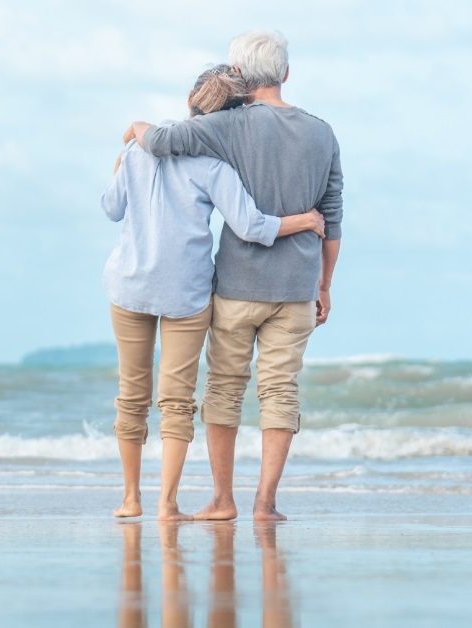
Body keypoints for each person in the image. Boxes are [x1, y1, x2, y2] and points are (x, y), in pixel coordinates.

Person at [125, 30, 344, 521]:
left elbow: (160, 141)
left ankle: (224, 500)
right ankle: (266, 503)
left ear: (240, 77)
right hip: (297, 285)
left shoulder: (226, 125)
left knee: (224, 387)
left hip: (238, 284)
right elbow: (332, 215)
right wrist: (325, 285)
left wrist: (136, 125)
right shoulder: (322, 132)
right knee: (281, 390)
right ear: (285, 73)